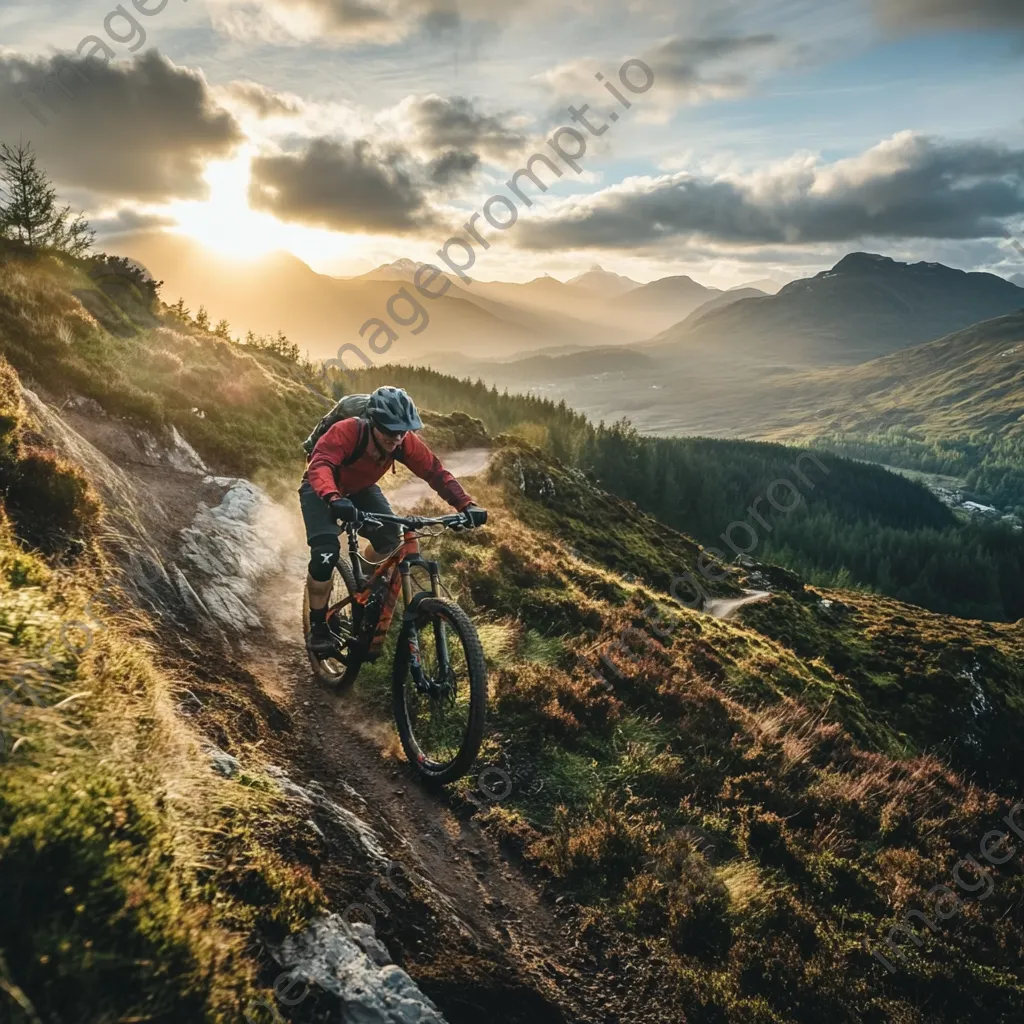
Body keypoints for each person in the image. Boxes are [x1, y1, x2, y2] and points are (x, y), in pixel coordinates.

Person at [300, 386, 487, 655]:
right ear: (374, 422)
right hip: (321, 490)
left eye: (402, 431)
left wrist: (466, 504)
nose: (396, 437)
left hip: (361, 488)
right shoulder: (349, 431)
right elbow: (320, 465)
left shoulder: (403, 440)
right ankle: (318, 626)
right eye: (389, 430)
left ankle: (366, 581)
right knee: (326, 554)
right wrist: (333, 498)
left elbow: (435, 472)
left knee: (391, 539)